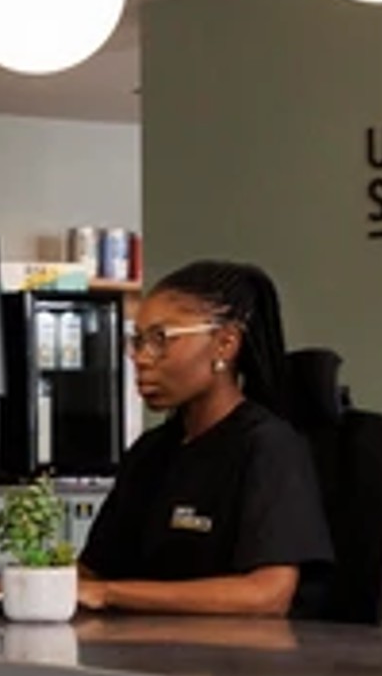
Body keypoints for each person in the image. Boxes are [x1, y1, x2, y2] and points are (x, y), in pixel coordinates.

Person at [78, 257, 338, 618]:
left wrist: (110, 594)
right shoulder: (150, 453)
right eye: (136, 341)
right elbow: (94, 572)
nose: (141, 358)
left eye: (160, 340)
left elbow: (266, 595)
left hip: (232, 667)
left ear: (225, 343)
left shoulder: (267, 446)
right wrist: (15, 585)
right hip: (145, 655)